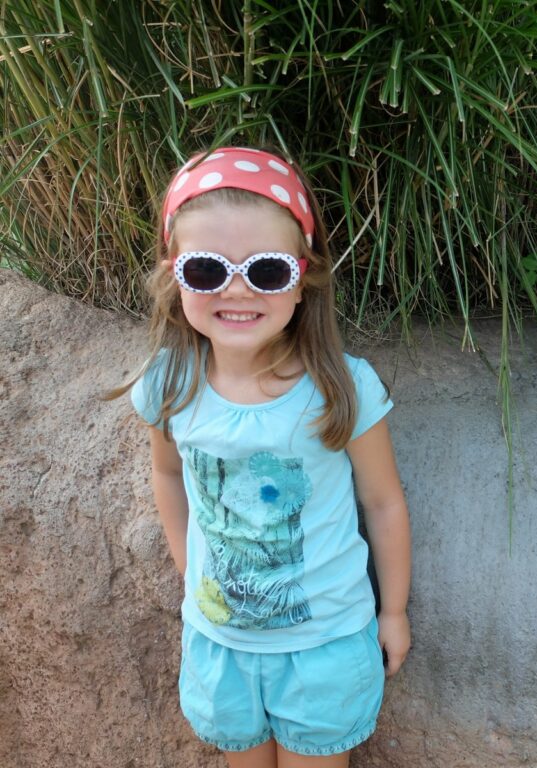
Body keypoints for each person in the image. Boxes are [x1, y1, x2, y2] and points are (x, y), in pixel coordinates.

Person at [112, 146, 411, 768]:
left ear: (303, 278)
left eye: (267, 271)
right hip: (220, 644)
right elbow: (167, 475)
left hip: (324, 646)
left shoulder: (341, 389)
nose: (237, 290)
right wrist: (185, 570)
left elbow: (382, 503)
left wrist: (396, 611)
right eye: (206, 271)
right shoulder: (170, 384)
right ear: (175, 277)